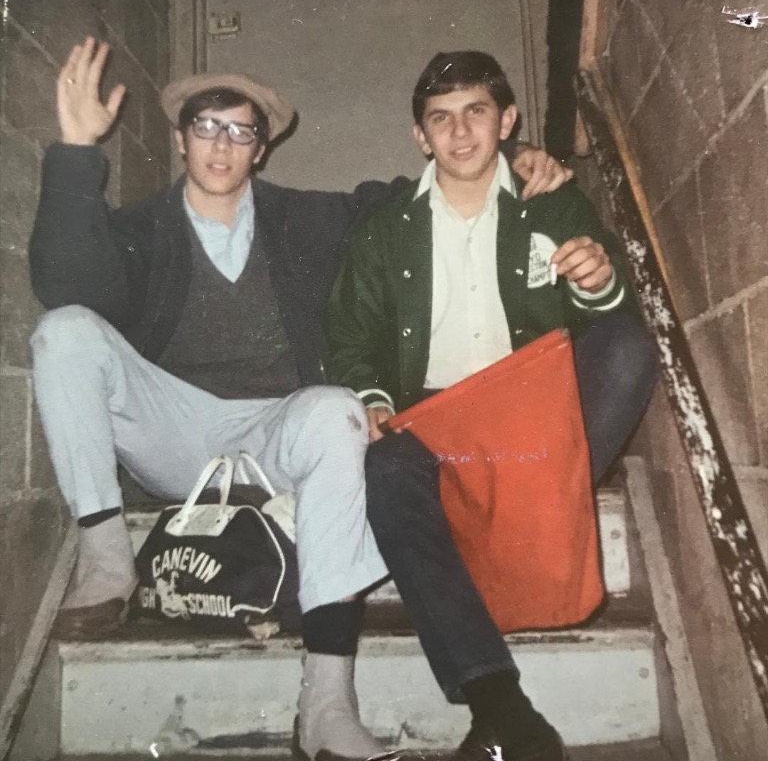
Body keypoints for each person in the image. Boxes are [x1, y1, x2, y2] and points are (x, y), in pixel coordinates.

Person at [28, 38, 572, 761]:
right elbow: (64, 285)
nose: (222, 146)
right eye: (206, 127)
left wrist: (518, 154)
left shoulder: (309, 219)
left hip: (277, 432)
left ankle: (325, 705)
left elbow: (417, 188)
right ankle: (104, 560)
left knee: (335, 407)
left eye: (241, 130)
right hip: (175, 431)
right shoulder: (138, 229)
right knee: (64, 331)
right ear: (181, 138)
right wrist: (73, 147)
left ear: (261, 148)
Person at [327, 51, 658, 761]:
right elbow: (350, 338)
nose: (460, 133)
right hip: (437, 422)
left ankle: (516, 509)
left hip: (529, 415)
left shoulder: (553, 199)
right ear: (421, 136)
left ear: (507, 121)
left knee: (629, 344)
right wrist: (379, 400)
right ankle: (502, 705)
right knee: (385, 468)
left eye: (477, 111)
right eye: (440, 119)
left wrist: (597, 282)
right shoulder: (385, 227)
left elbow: (607, 300)